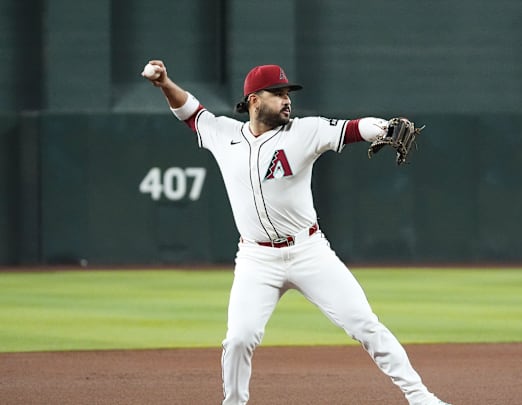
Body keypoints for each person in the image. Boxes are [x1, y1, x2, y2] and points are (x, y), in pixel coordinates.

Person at [141, 61, 450, 405]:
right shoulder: (224, 133)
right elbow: (189, 111)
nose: (287, 100)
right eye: (278, 93)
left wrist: (383, 129)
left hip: (309, 252)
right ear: (254, 100)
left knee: (365, 324)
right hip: (256, 258)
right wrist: (164, 82)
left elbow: (352, 128)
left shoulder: (304, 132)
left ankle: (421, 397)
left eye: (288, 93)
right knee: (239, 338)